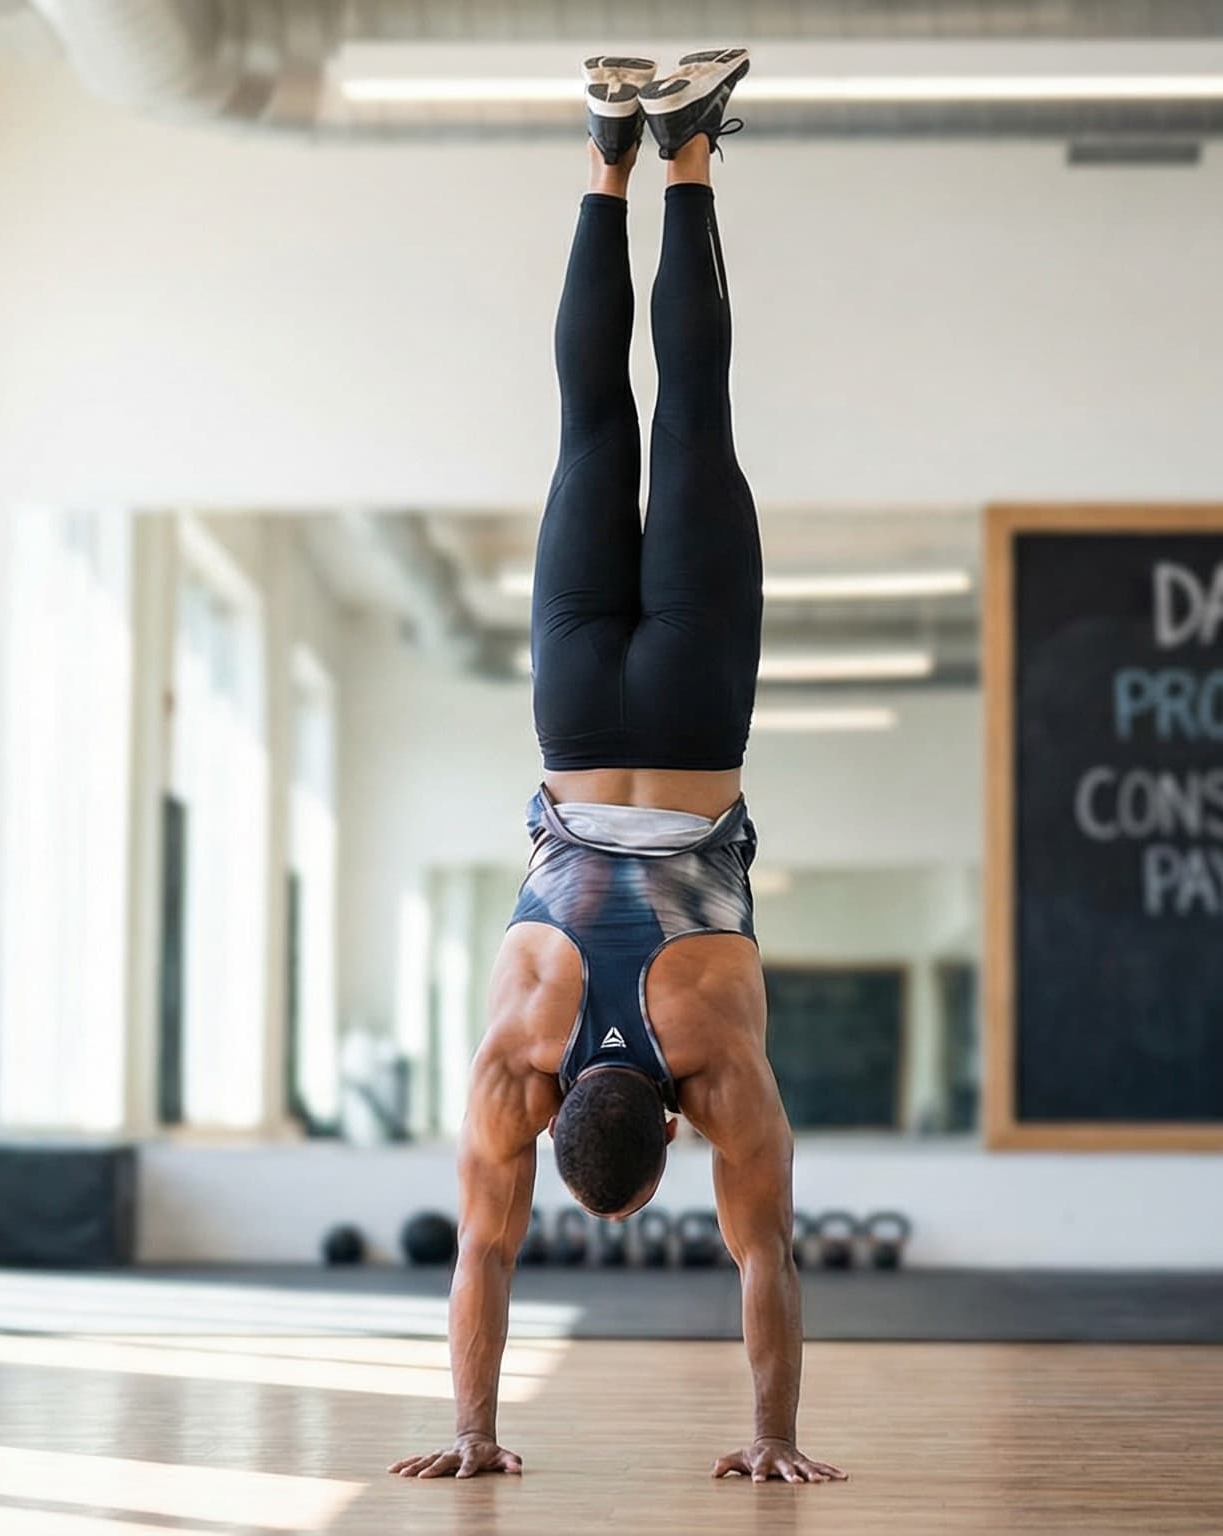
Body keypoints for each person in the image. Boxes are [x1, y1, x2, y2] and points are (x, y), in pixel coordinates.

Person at [388, 49, 844, 1487]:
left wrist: (772, 1444)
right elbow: (480, 1254)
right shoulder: (513, 1059)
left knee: (693, 411)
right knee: (594, 421)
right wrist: (468, 1429)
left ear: (674, 1130)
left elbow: (763, 1258)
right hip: (579, 715)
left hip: (697, 718)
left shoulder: (722, 1063)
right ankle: (603, 152)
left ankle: (690, 148)